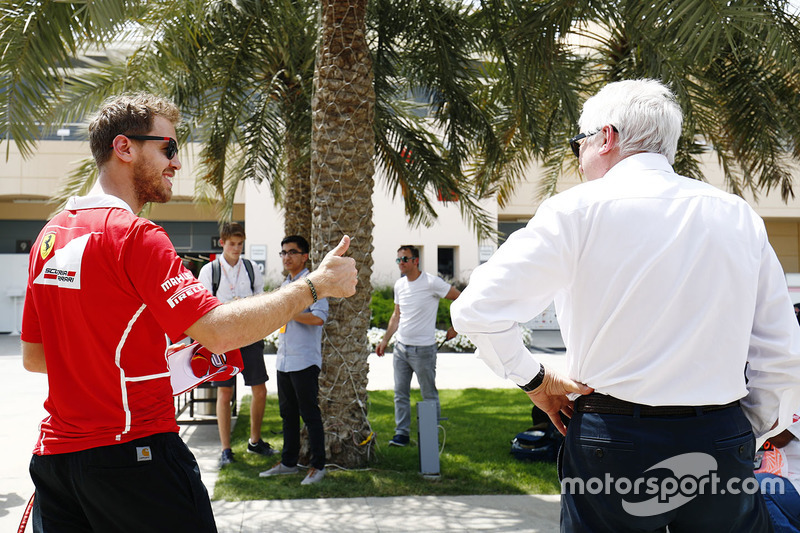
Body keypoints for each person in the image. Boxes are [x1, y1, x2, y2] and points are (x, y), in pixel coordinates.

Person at [451, 79, 800, 531]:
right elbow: (780, 348)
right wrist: (743, 429)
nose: (578, 158)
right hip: (719, 432)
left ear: (606, 137)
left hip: (611, 437)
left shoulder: (575, 211)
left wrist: (534, 380)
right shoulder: (737, 216)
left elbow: (476, 310)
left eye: (578, 144)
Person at [20, 93, 357, 532]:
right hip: (134, 458)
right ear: (124, 148)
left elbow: (36, 357)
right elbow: (218, 333)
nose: (177, 163)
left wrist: (141, 360)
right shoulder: (135, 235)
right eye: (169, 149)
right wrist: (315, 286)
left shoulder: (50, 235)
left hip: (56, 462)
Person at [198, 222, 277, 467]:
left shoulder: (251, 268)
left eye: (240, 244)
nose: (236, 248)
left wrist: (247, 303)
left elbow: (261, 299)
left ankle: (255, 441)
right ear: (222, 243)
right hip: (222, 338)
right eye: (232, 244)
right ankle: (226, 449)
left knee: (260, 389)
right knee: (224, 392)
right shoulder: (210, 270)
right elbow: (202, 306)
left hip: (249, 335)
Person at [259, 235, 329, 485]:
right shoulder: (284, 284)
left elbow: (319, 318)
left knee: (310, 415)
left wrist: (290, 311)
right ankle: (289, 463)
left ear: (304, 256)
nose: (287, 257)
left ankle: (318, 466)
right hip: (284, 361)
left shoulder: (313, 284)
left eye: (292, 252)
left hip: (305, 360)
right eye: (283, 253)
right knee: (287, 415)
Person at [376, 245, 460, 447]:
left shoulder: (432, 282)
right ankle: (401, 434)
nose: (401, 263)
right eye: (398, 260)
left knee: (428, 394)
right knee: (400, 394)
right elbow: (396, 316)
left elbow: (459, 297)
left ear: (416, 261)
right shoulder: (399, 285)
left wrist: (456, 326)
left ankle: (433, 435)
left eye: (404, 259)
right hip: (401, 349)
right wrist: (385, 340)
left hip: (424, 350)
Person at [755, 414, 800, 531]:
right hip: (775, 488)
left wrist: (748, 409)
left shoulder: (794, 400)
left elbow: (780, 438)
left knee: (756, 486)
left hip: (795, 485)